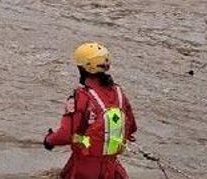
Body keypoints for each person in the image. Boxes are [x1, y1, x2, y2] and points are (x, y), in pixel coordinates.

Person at [42, 42, 138, 179]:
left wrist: (49, 140)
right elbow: (131, 127)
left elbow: (66, 134)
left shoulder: (81, 96)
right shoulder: (119, 93)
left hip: (84, 168)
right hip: (112, 168)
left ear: (82, 68)